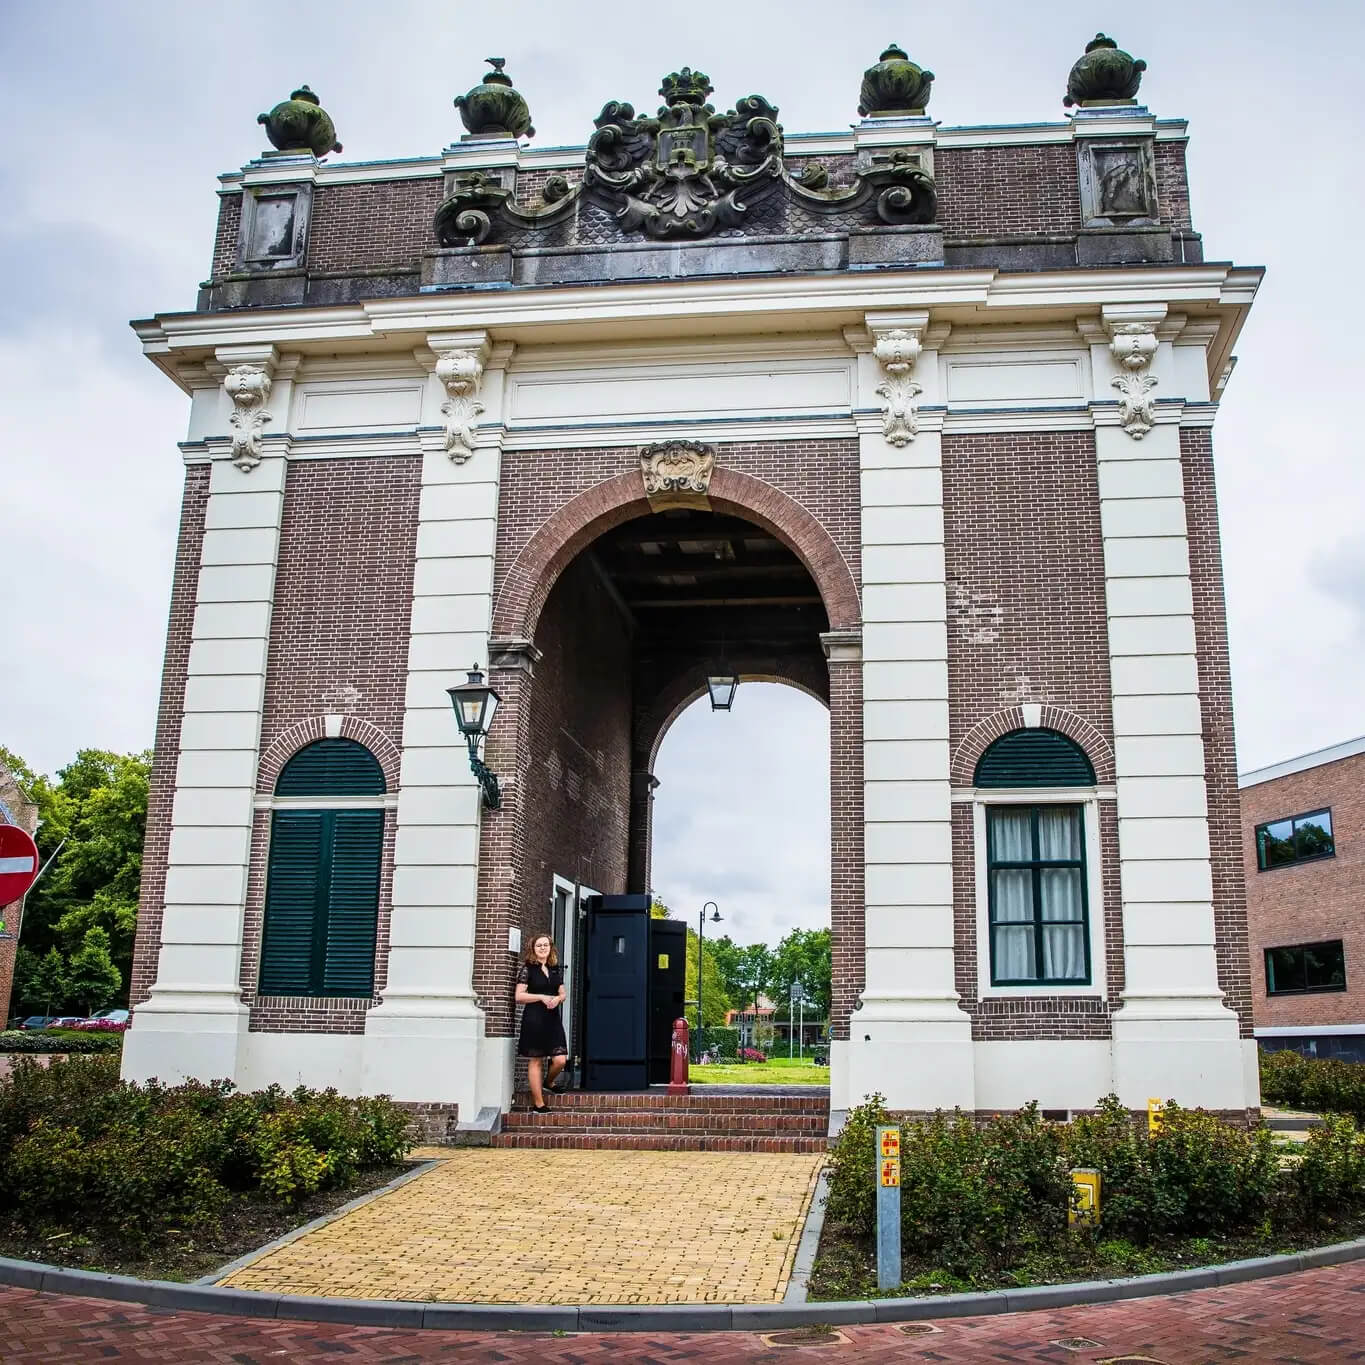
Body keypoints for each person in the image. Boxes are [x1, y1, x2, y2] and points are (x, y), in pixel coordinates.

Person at [515, 933, 568, 1112]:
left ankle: (549, 1081)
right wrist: (541, 997)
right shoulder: (528, 969)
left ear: (550, 948)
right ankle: (539, 1103)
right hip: (534, 1019)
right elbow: (519, 996)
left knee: (560, 1059)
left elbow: (563, 993)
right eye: (539, 945)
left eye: (546, 945)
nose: (543, 948)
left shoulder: (554, 969)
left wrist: (558, 999)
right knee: (536, 1059)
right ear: (533, 949)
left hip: (552, 1020)